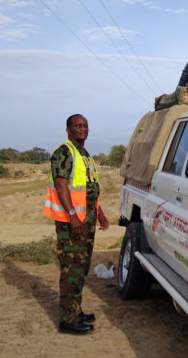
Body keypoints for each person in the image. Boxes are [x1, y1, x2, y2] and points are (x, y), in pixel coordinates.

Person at [43, 114, 109, 335]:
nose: (83, 129)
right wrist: (72, 216)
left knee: (81, 268)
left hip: (87, 218)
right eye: (78, 126)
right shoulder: (64, 151)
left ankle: (75, 310)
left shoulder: (84, 154)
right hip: (71, 221)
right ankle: (67, 320)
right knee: (71, 268)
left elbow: (88, 188)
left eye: (85, 125)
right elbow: (61, 185)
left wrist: (100, 214)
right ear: (68, 130)